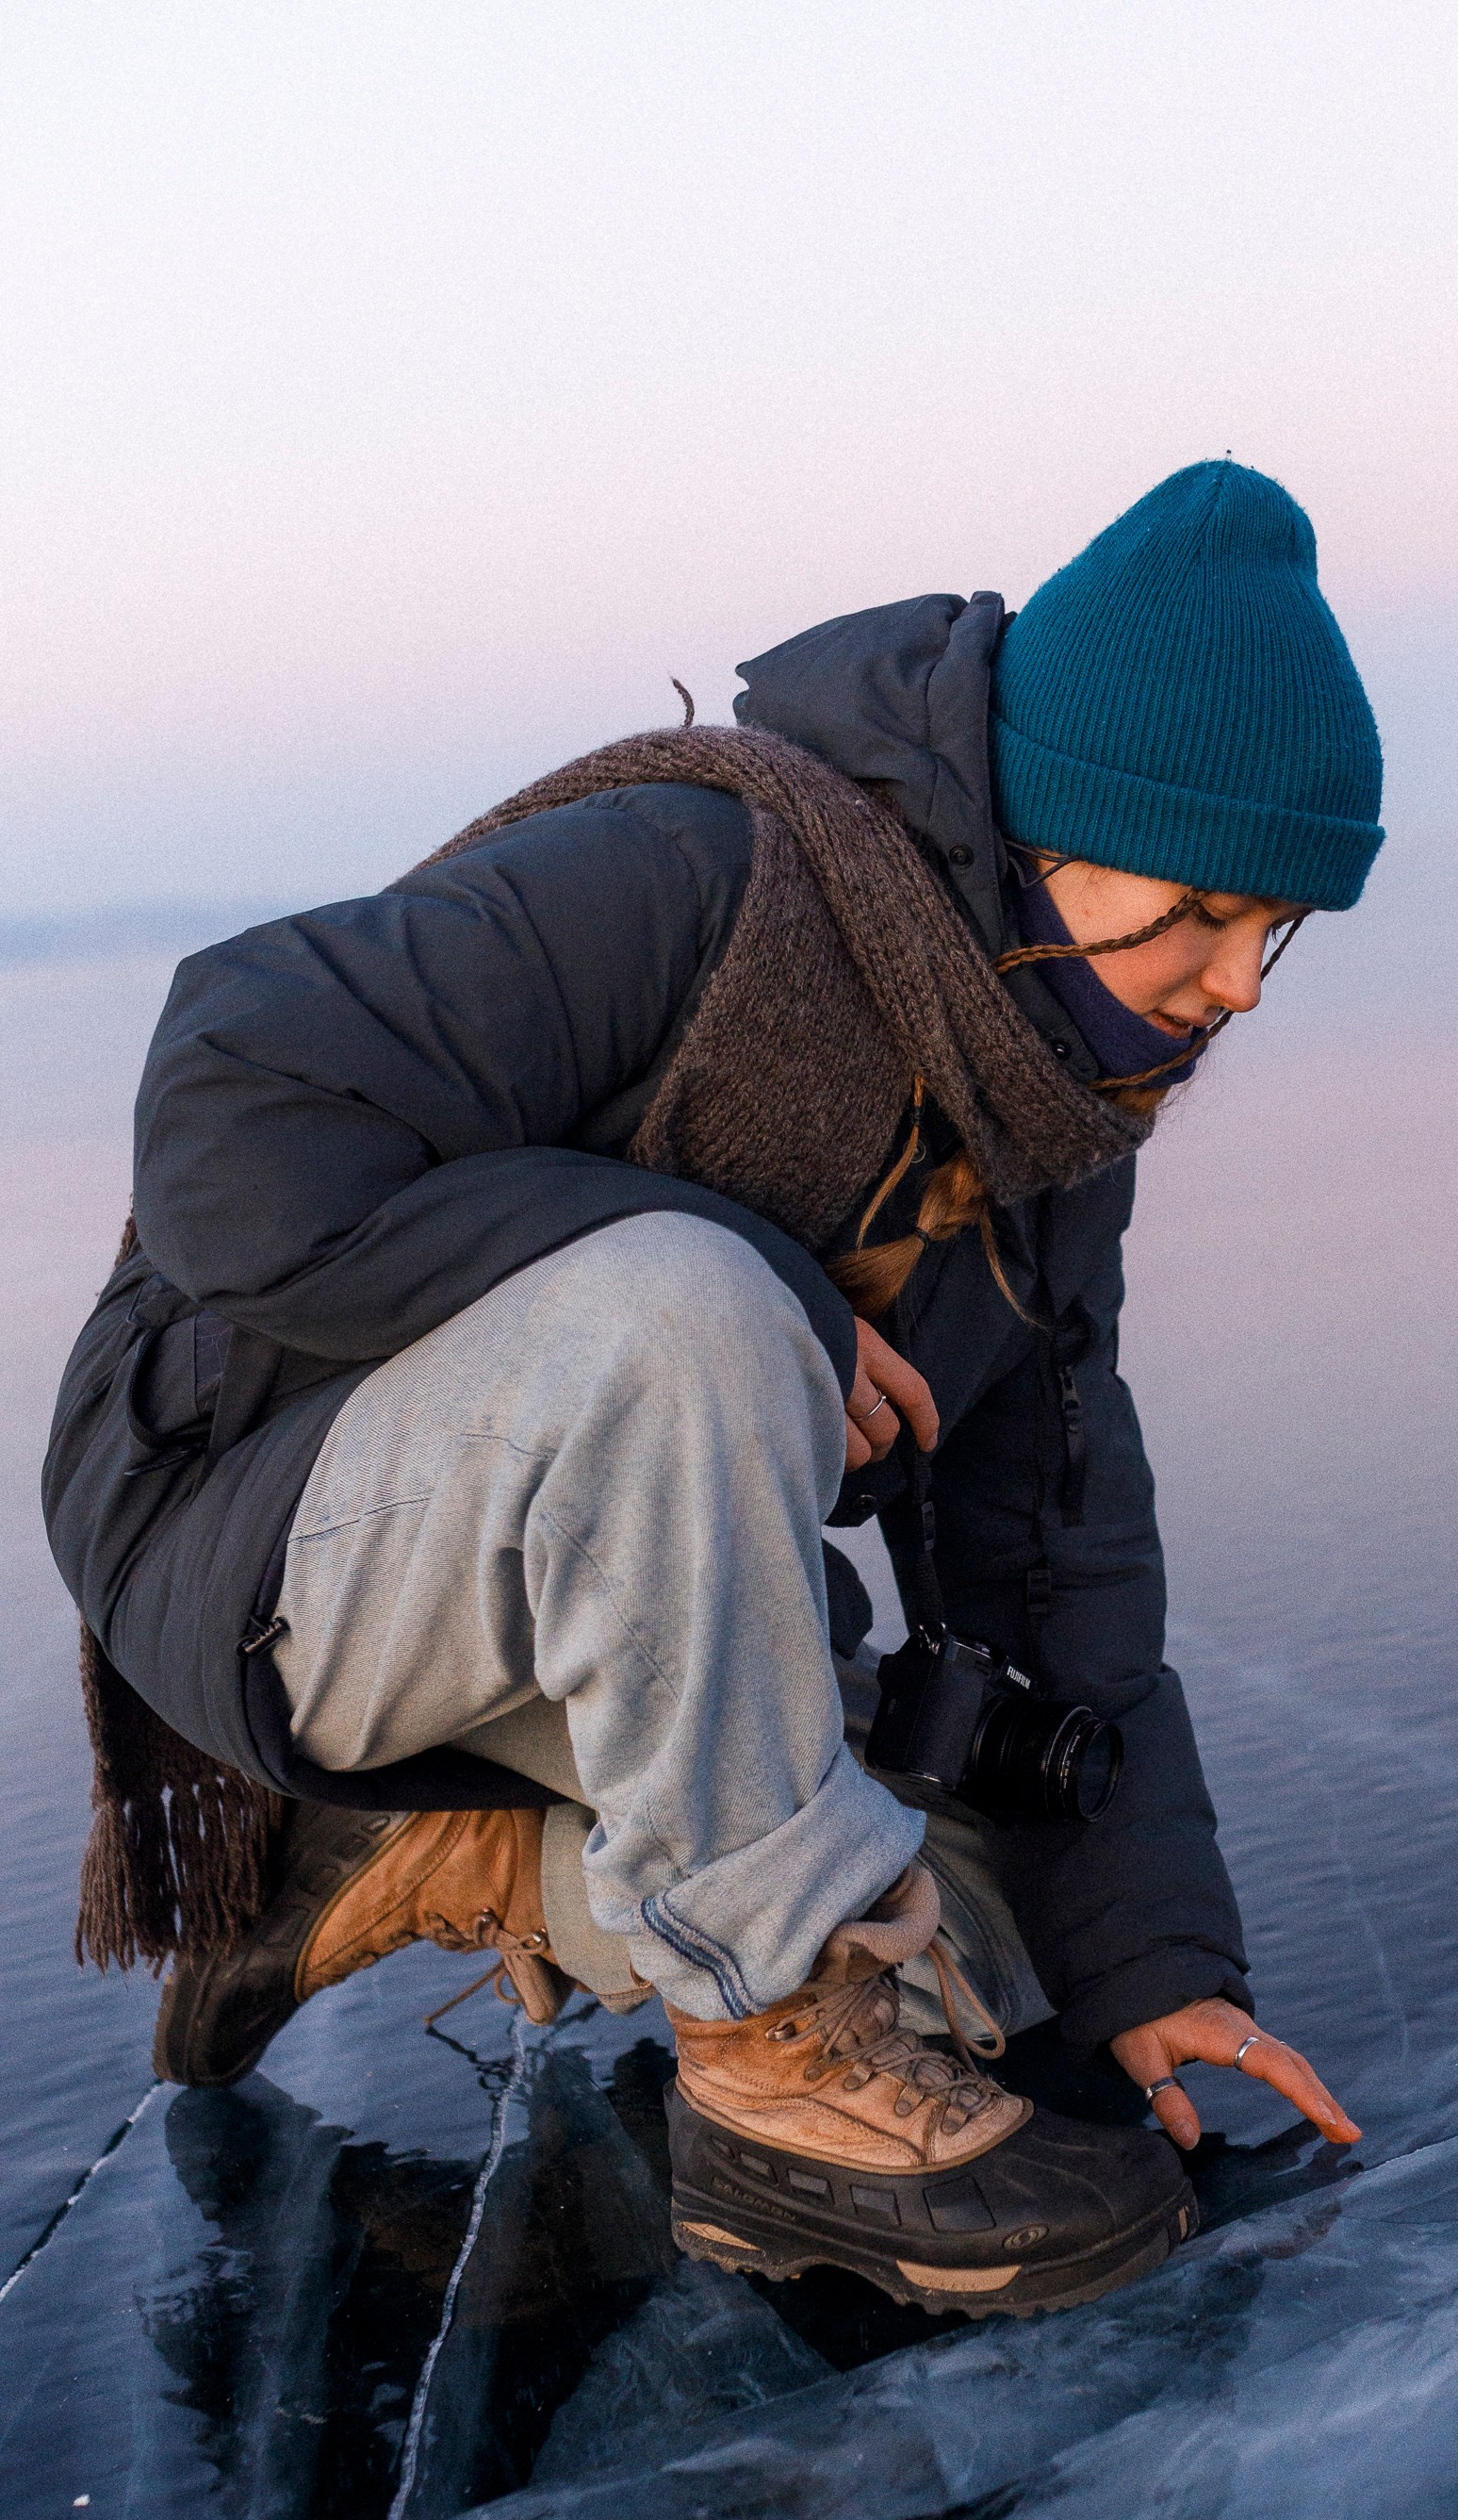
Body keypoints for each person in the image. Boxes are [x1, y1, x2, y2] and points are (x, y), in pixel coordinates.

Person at [46, 461, 1380, 2318]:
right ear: (1056, 828)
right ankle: (770, 2078)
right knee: (691, 1308)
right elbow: (230, 1114)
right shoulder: (693, 876)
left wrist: (1154, 1964)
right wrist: (756, 1280)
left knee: (987, 1985)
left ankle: (436, 1845)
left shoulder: (1049, 1120)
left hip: (576, 1569)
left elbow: (1048, 1552)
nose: (1235, 984)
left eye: (1277, 929)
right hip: (255, 1524)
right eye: (1204, 908)